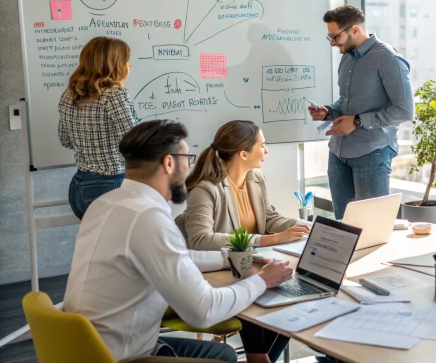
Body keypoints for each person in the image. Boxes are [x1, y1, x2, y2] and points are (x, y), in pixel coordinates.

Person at [63, 120, 294, 362]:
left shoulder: (107, 203)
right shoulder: (148, 217)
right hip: (119, 355)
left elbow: (177, 256)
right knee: (224, 358)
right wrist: (262, 280)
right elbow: (204, 311)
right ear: (169, 163)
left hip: (92, 343)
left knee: (223, 353)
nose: (191, 166)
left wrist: (229, 258)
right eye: (187, 158)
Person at [179, 120, 310, 363]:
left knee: (292, 290)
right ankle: (258, 357)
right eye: (262, 145)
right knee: (265, 289)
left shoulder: (255, 178)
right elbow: (200, 240)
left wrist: (301, 226)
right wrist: (269, 239)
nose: (267, 150)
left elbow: (269, 217)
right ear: (242, 153)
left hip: (245, 265)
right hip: (213, 273)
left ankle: (260, 357)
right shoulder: (205, 189)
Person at [308, 5, 414, 219]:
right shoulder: (347, 58)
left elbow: (404, 110)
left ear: (354, 30)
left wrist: (356, 121)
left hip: (372, 153)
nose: (333, 43)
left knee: (371, 224)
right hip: (338, 153)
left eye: (335, 37)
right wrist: (328, 111)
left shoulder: (388, 59)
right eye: (330, 37)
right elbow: (348, 102)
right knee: (343, 225)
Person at [58, 36, 139, 219]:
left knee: (99, 246)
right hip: (108, 185)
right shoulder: (114, 95)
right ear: (114, 65)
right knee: (119, 246)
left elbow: (65, 140)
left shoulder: (68, 95)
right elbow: (134, 143)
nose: (129, 66)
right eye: (126, 61)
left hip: (79, 187)